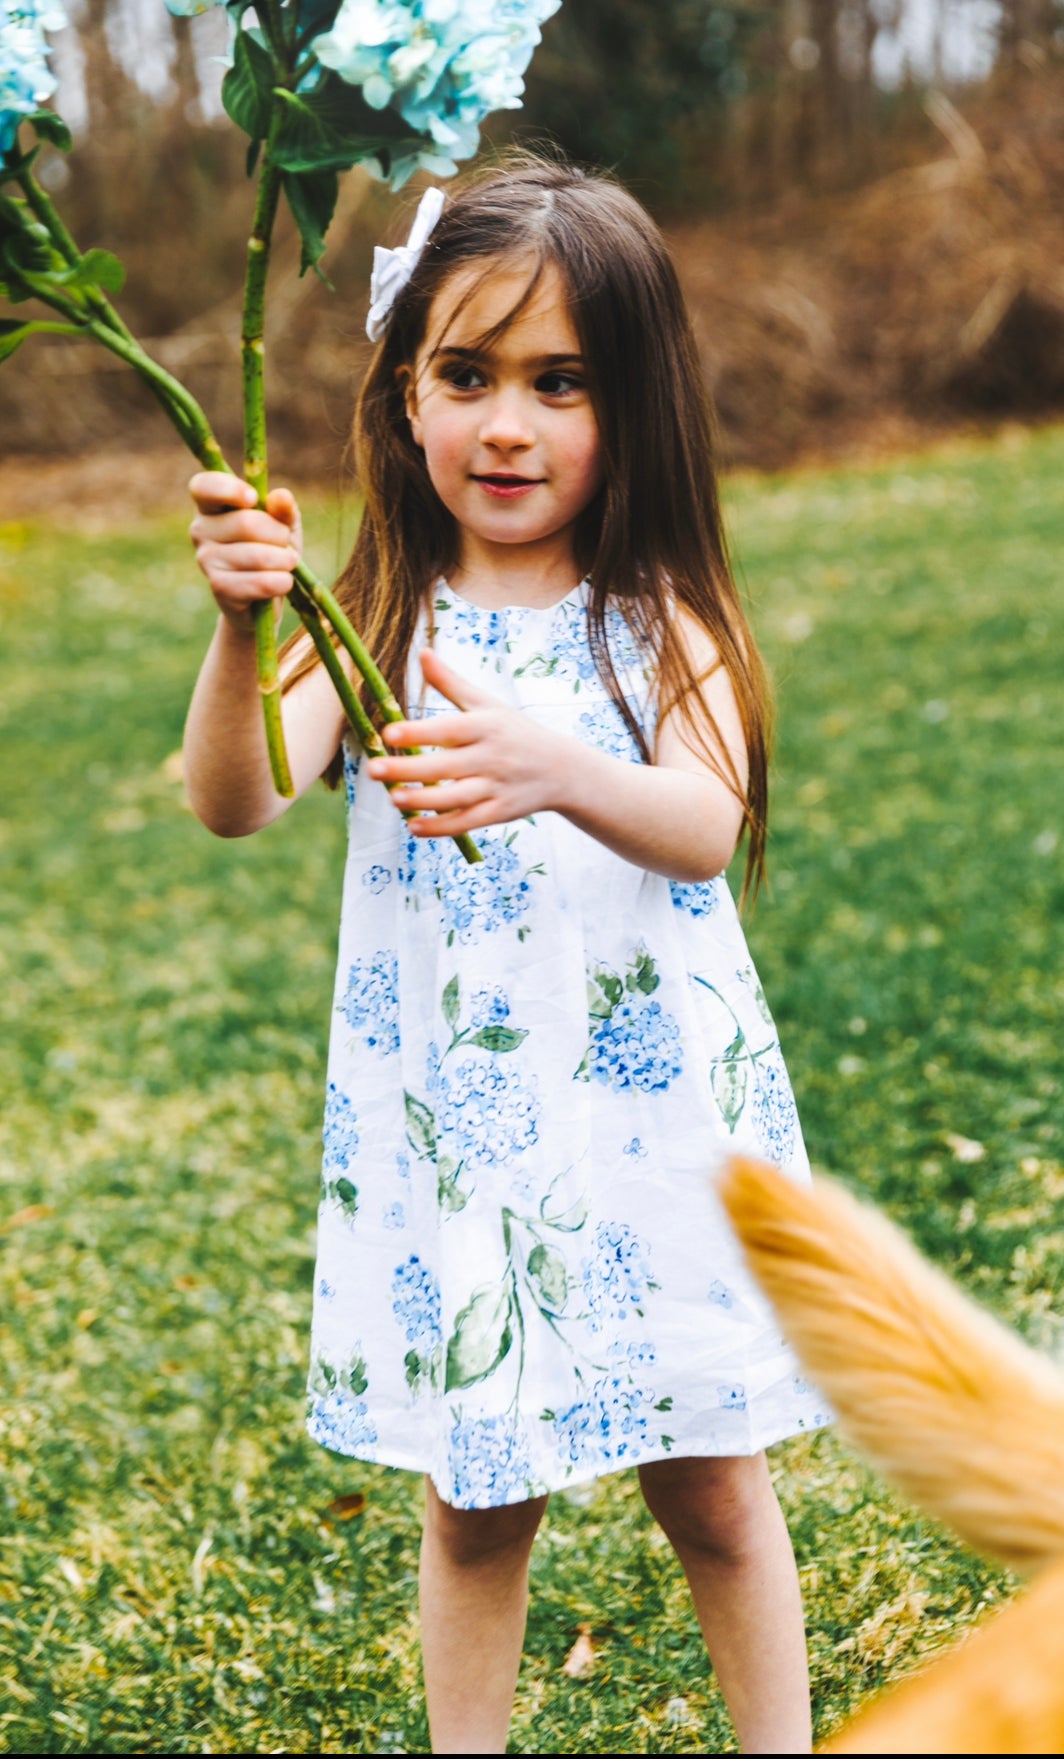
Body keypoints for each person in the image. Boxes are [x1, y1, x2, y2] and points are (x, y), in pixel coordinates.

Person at [182, 154, 828, 1755]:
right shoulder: (378, 613)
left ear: (638, 408)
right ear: (404, 394)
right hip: (466, 1141)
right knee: (478, 1505)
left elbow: (699, 818)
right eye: (465, 376)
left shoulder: (654, 607)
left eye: (562, 383)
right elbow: (237, 798)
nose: (508, 426)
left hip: (654, 1121)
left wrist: (554, 768)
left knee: (715, 1494)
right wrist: (242, 627)